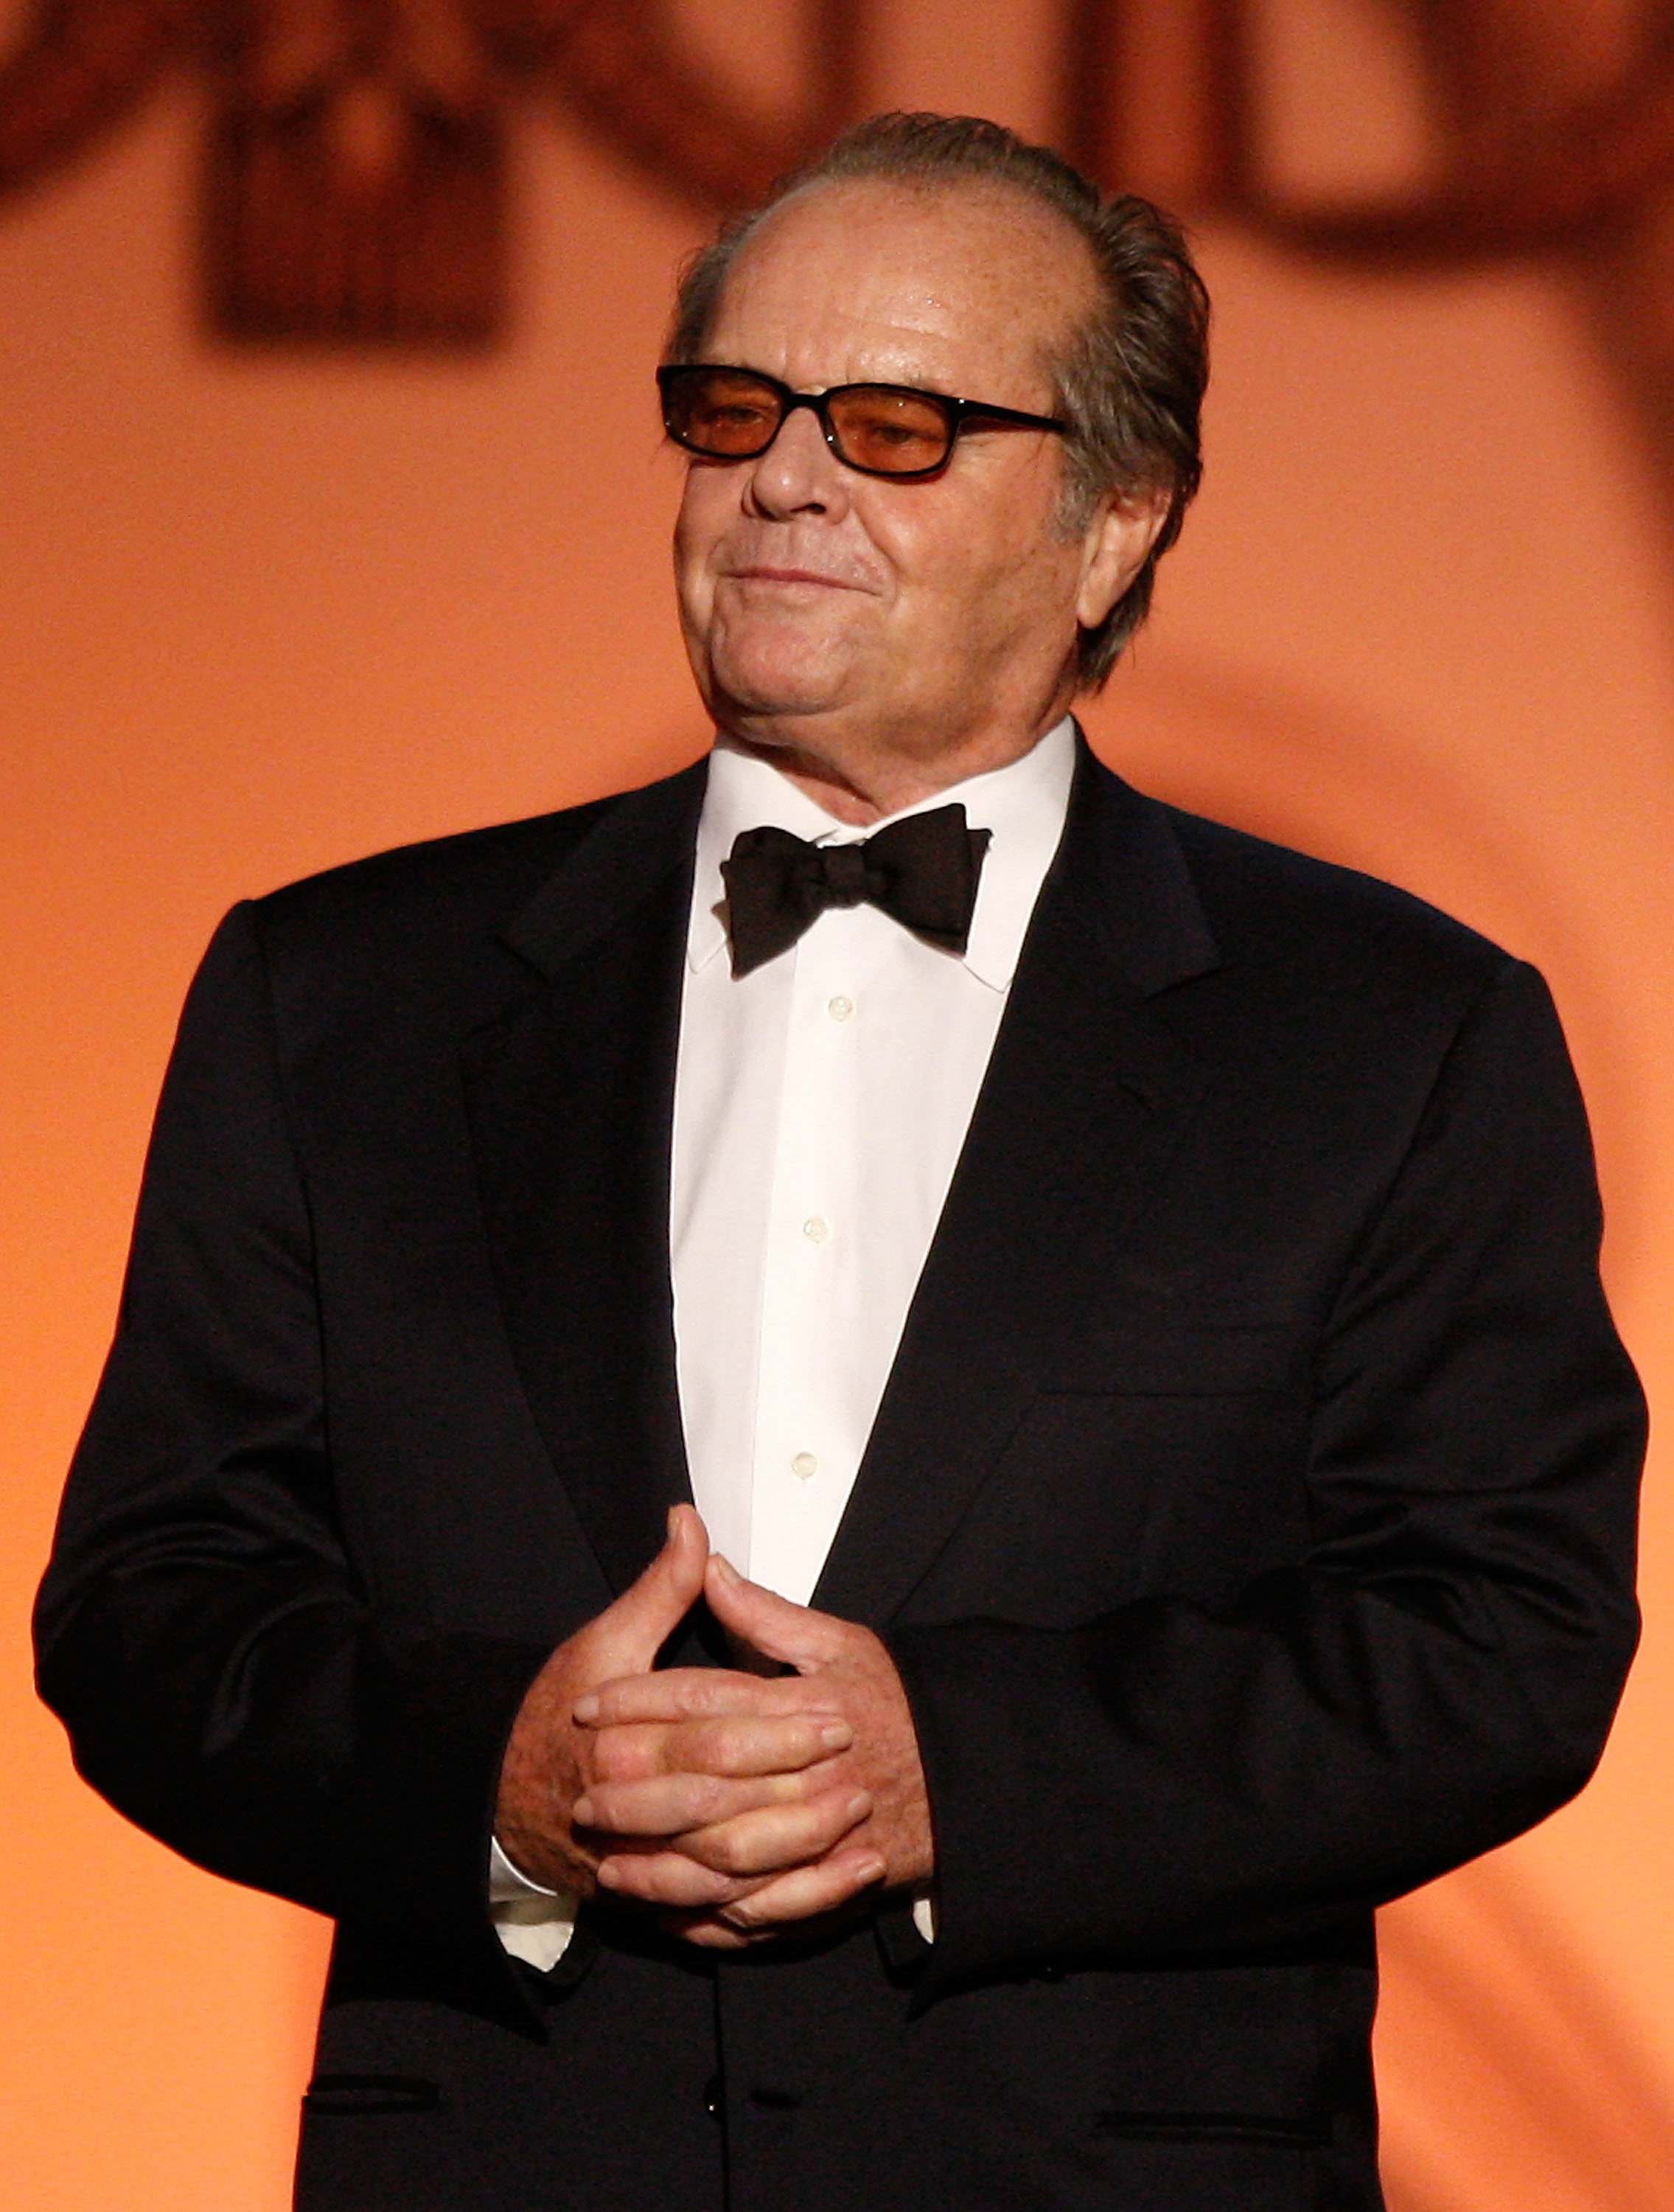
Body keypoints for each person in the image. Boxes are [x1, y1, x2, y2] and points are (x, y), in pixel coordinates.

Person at [35, 112, 1645, 2212]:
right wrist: (507, 1790)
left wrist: (954, 1777)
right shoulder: (338, 995)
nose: (782, 476)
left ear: (1115, 524)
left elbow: (1498, 1641)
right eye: (733, 410)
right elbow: (155, 1609)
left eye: (896, 424)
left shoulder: (1393, 1032)